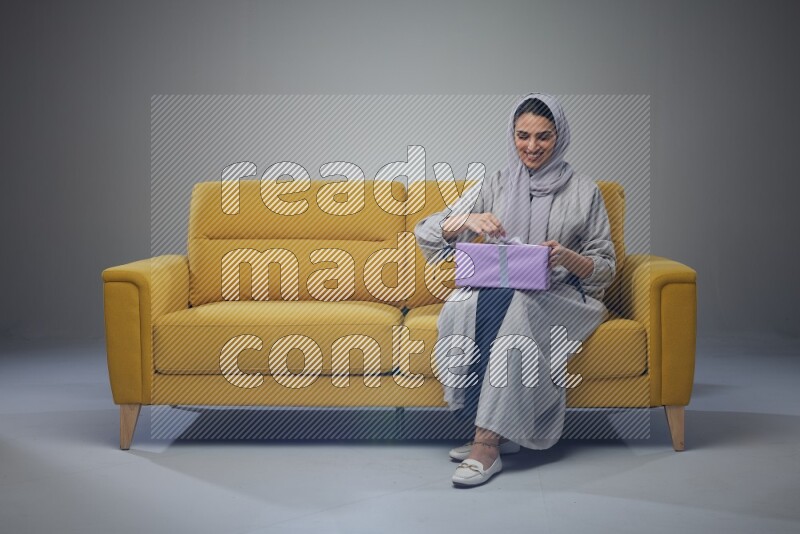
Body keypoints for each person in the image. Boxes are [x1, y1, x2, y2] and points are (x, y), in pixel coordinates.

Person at [413, 93, 617, 487]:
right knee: (462, 305)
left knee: (518, 310)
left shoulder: (584, 191)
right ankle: (497, 427)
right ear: (513, 136)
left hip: (562, 294)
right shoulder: (496, 182)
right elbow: (428, 231)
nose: (532, 146)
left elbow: (605, 266)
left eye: (544, 136)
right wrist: (466, 219)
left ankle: (486, 443)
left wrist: (565, 256)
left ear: (560, 136)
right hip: (502, 288)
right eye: (523, 136)